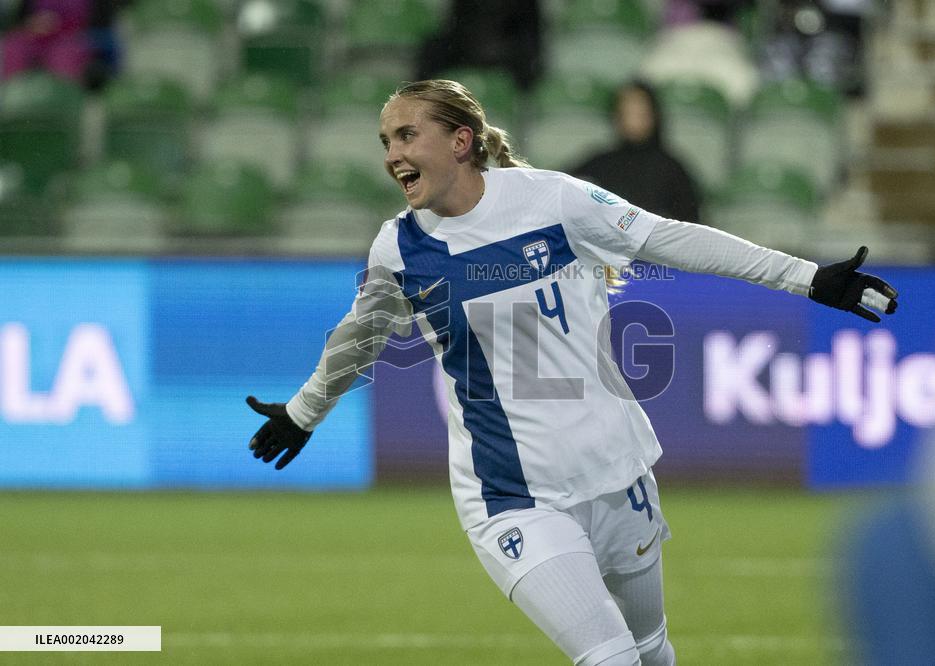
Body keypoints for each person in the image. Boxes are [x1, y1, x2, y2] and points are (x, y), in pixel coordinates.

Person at [244, 79, 898, 665]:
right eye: (386, 140)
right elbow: (363, 332)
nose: (392, 154)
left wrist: (808, 278)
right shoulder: (401, 247)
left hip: (618, 475)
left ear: (461, 140)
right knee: (610, 658)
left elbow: (670, 237)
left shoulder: (555, 202)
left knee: (650, 651)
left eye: (407, 134)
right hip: (513, 498)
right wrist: (304, 412)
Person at [571, 80, 702, 224]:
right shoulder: (599, 163)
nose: (633, 119)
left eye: (640, 112)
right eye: (627, 111)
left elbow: (689, 224)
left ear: (654, 115)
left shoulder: (672, 169)